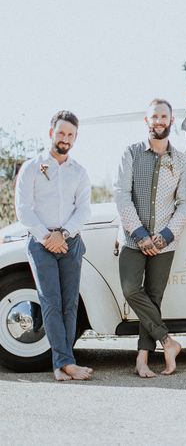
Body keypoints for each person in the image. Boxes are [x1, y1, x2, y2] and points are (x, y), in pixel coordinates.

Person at [114, 98, 186, 377]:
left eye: (163, 117)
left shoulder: (182, 161)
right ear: (146, 121)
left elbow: (185, 203)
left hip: (165, 241)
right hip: (132, 239)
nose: (159, 121)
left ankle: (142, 359)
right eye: (154, 117)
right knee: (131, 290)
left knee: (154, 297)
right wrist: (140, 234)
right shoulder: (132, 153)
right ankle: (168, 342)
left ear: (171, 121)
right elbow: (122, 195)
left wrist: (165, 235)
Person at [15, 111, 92, 381]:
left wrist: (64, 234)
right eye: (61, 133)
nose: (65, 139)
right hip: (40, 244)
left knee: (70, 303)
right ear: (51, 133)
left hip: (71, 243)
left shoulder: (79, 172)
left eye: (70, 135)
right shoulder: (32, 167)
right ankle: (64, 364)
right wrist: (47, 237)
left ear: (75, 138)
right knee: (50, 301)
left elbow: (83, 210)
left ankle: (63, 363)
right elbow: (23, 209)